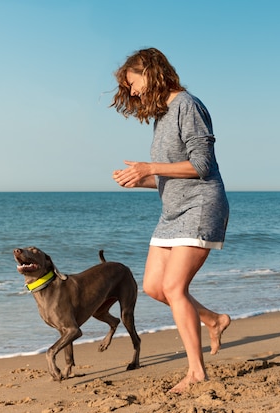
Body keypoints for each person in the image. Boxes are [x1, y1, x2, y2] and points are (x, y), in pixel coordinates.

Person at [110, 47, 231, 393]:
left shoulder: (187, 106)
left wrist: (150, 168)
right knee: (153, 287)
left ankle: (197, 373)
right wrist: (140, 179)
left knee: (175, 288)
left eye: (133, 83)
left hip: (202, 206)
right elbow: (170, 176)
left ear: (151, 71)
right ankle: (213, 319)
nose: (132, 92)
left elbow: (201, 166)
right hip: (172, 214)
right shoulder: (162, 116)